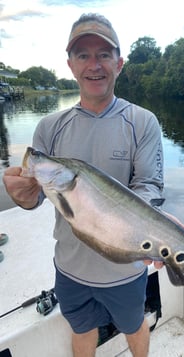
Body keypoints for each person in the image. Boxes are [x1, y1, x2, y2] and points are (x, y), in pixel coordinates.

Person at [3, 13, 164, 357]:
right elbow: (39, 198)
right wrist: (24, 198)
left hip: (125, 269)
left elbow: (150, 186)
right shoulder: (49, 127)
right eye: (83, 55)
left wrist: (151, 226)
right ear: (70, 65)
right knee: (81, 329)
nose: (94, 65)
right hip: (70, 267)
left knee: (135, 326)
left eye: (103, 54)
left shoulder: (142, 122)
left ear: (119, 63)